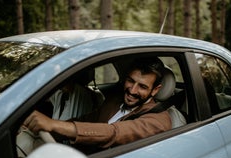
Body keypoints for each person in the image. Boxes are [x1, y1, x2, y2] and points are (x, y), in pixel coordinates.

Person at [23, 57, 173, 151]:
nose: (132, 90)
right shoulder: (115, 100)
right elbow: (86, 120)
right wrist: (42, 126)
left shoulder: (159, 120)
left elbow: (114, 132)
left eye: (142, 86)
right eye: (130, 81)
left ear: (155, 90)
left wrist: (54, 125)